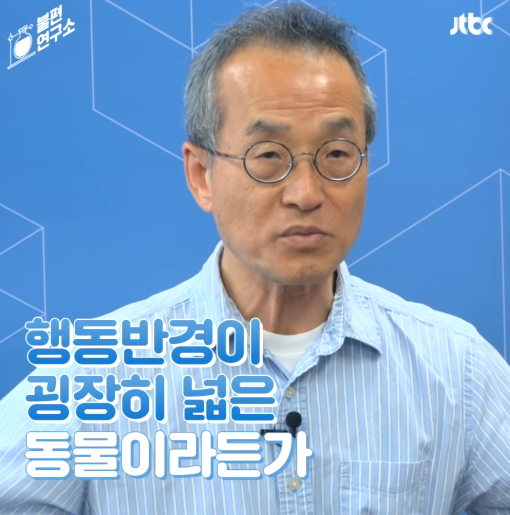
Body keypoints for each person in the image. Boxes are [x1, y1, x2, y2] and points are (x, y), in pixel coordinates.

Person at [1, 3, 509, 514]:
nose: (306, 193)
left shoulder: (457, 369)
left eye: (336, 154)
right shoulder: (95, 379)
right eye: (268, 156)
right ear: (201, 175)